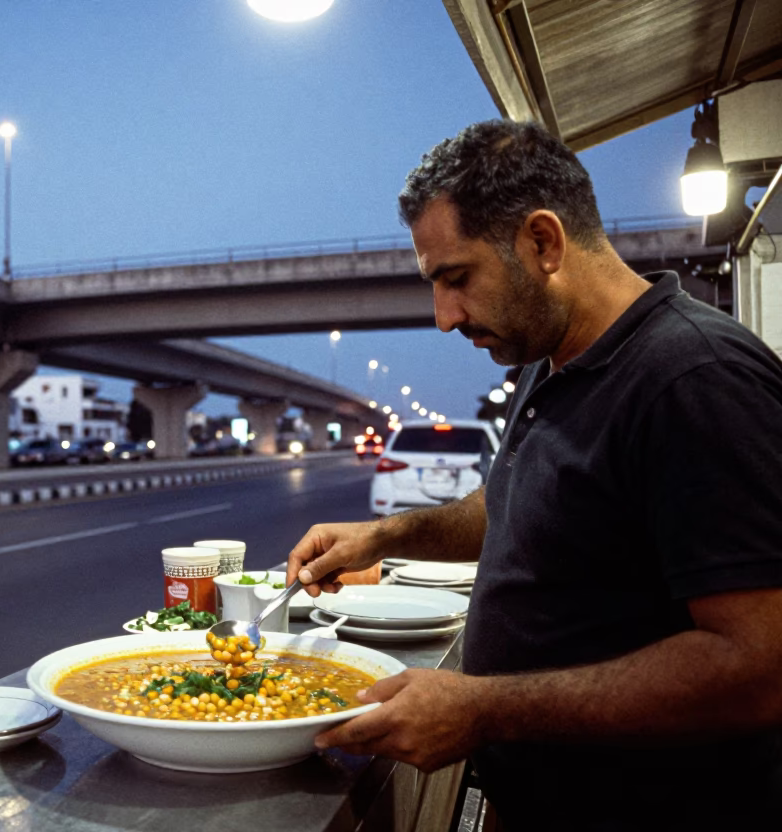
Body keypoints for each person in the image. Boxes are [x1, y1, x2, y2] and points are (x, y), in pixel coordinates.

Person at [287, 120, 782, 830]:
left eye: (456, 278)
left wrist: (483, 707)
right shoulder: (550, 362)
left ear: (543, 242)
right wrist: (384, 536)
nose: (443, 317)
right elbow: (514, 505)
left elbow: (760, 666)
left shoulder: (694, 379)